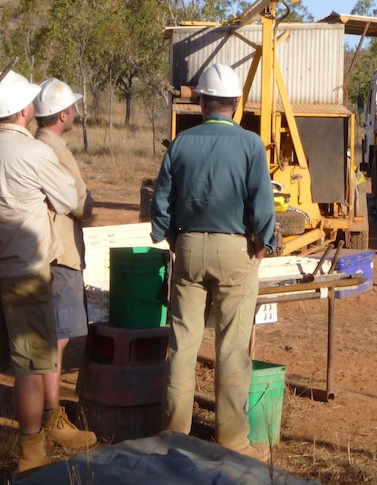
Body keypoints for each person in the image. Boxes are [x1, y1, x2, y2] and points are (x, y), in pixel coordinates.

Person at [150, 63, 276, 462]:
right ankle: (233, 440)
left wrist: (173, 239)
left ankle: (174, 435)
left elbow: (160, 203)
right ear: (237, 105)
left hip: (187, 247)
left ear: (201, 102)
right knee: (232, 348)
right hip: (234, 249)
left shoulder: (181, 144)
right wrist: (263, 244)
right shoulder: (251, 145)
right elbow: (262, 204)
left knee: (183, 345)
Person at [0, 70, 78, 477]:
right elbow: (67, 199)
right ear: (25, 110)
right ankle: (31, 452)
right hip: (26, 271)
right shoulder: (33, 153)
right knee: (30, 363)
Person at [33, 78, 97, 450]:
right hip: (60, 254)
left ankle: (44, 411)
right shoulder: (52, 149)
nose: (74, 112)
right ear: (62, 114)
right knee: (57, 339)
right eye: (71, 108)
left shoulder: (39, 145)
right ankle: (50, 417)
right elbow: (79, 204)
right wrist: (89, 206)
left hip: (45, 252)